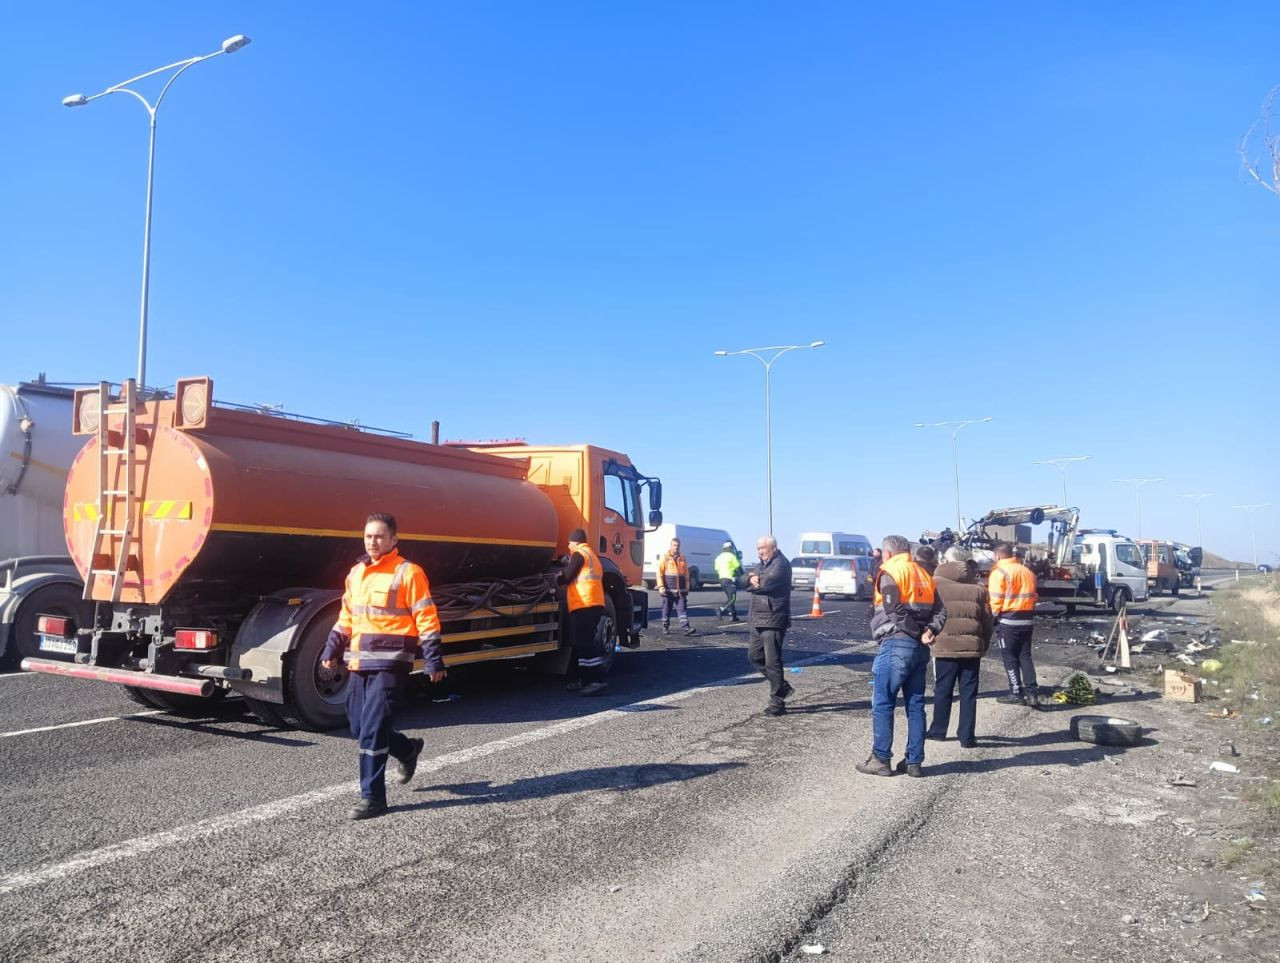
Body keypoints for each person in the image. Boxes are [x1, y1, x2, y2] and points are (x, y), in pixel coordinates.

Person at [321, 512, 446, 820]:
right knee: (359, 728)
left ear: (394, 539)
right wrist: (332, 648)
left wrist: (433, 658)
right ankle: (407, 750)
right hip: (359, 661)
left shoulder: (408, 572)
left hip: (391, 663)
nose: (373, 541)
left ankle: (373, 798)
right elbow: (347, 616)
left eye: (379, 536)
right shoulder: (356, 573)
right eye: (368, 536)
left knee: (373, 731)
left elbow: (426, 617)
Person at [857, 534, 946, 778]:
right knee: (915, 704)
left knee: (883, 701)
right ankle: (914, 761)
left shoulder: (890, 572)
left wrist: (917, 632)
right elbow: (941, 611)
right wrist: (930, 631)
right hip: (919, 649)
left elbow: (893, 609)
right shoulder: (924, 574)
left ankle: (881, 758)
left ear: (887, 553)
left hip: (896, 643)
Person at [925, 546, 993, 748]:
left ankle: (938, 731)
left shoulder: (934, 583)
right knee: (969, 692)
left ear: (946, 561)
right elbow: (987, 620)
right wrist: (983, 643)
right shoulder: (979, 588)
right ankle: (967, 736)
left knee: (943, 689)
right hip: (972, 647)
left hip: (944, 645)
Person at [988, 541, 1041, 708]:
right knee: (1025, 656)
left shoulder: (999, 572)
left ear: (997, 556)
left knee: (1010, 657)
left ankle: (1016, 692)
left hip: (1008, 621)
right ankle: (1032, 693)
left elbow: (995, 600)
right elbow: (1034, 596)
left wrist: (990, 620)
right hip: (1027, 619)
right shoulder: (1027, 572)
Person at [558, 528, 609, 696]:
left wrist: (557, 578)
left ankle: (595, 680)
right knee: (583, 642)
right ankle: (581, 679)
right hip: (594, 603)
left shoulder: (579, 554)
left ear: (576, 541)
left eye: (569, 542)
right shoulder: (591, 555)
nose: (568, 546)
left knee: (584, 643)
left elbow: (568, 576)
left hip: (584, 603)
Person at [747, 535, 793, 716]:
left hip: (773, 618)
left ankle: (777, 703)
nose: (760, 551)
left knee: (773, 662)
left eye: (763, 548)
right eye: (758, 548)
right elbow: (742, 578)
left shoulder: (781, 565)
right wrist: (750, 579)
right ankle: (782, 686)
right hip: (757, 618)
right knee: (754, 656)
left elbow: (765, 585)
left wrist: (754, 580)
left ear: (773, 548)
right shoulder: (761, 565)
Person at [656, 538, 696, 636]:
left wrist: (687, 587)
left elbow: (686, 574)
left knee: (682, 609)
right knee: (666, 609)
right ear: (670, 546)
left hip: (680, 590)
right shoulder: (665, 557)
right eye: (674, 545)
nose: (676, 547)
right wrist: (661, 586)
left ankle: (686, 628)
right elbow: (659, 573)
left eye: (677, 545)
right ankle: (665, 627)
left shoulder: (682, 558)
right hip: (668, 590)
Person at [714, 540, 743, 623]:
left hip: (721, 579)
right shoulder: (731, 556)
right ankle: (721, 609)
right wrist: (744, 576)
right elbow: (738, 568)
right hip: (729, 579)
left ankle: (733, 616)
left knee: (729, 597)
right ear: (730, 548)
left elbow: (717, 569)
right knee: (732, 598)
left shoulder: (718, 557)